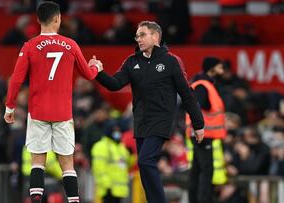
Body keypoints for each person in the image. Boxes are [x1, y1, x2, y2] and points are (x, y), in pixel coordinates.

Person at [95, 21, 204, 203]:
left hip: (161, 121)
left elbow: (187, 94)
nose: (138, 39)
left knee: (145, 161)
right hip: (140, 122)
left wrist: (198, 124)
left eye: (143, 35)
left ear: (155, 36)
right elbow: (115, 84)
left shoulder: (170, 61)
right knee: (143, 165)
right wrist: (98, 72)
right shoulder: (132, 61)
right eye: (137, 36)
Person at [3, 2, 102, 203]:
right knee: (67, 164)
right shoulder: (71, 45)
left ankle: (36, 200)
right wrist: (96, 67)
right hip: (63, 113)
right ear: (58, 19)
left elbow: (16, 79)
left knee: (37, 162)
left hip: (38, 112)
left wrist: (10, 107)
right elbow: (88, 75)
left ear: (38, 20)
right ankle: (74, 201)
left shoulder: (29, 46)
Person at [185, 57, 228, 203]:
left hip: (201, 134)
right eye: (220, 67)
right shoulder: (203, 86)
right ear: (212, 69)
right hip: (203, 135)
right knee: (206, 171)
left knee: (196, 171)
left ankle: (195, 200)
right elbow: (197, 106)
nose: (222, 71)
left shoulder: (205, 84)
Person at [91, 121, 134, 203]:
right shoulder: (101, 146)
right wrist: (107, 185)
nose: (117, 133)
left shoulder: (120, 147)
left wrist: (131, 155)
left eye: (118, 131)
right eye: (115, 130)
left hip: (119, 190)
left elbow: (127, 165)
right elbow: (99, 168)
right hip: (108, 190)